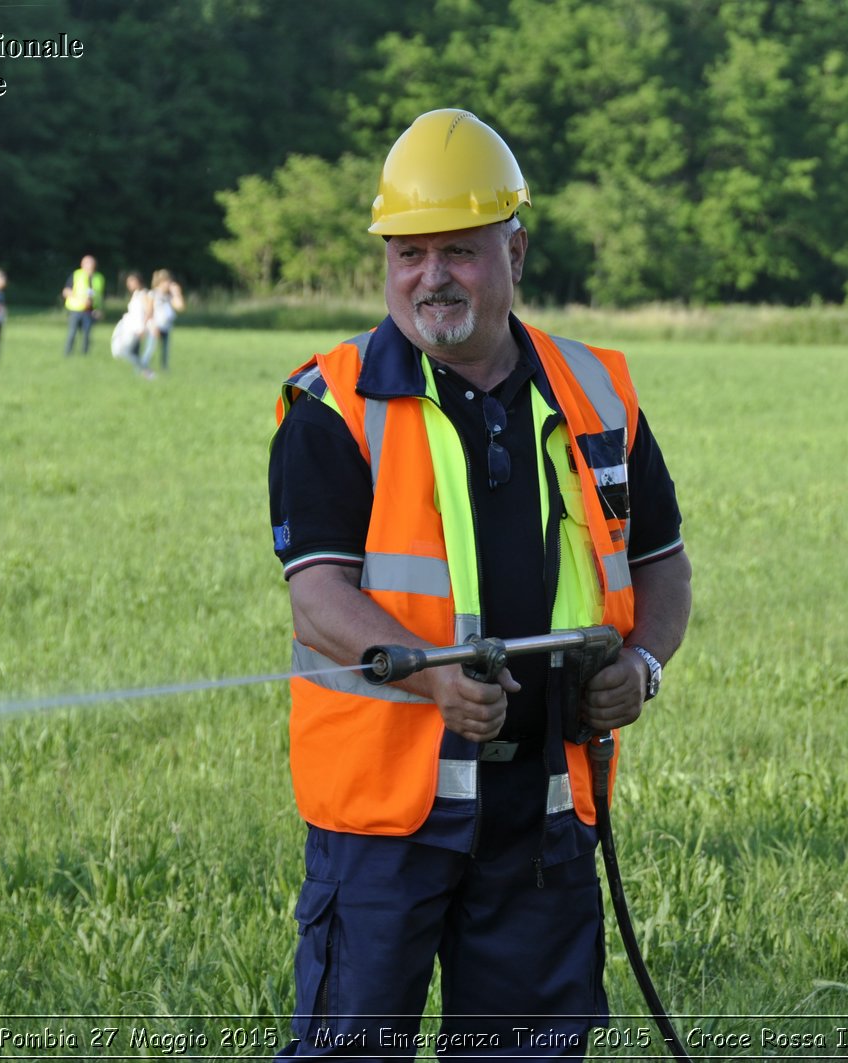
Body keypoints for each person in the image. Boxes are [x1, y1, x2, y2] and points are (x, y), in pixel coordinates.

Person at [267, 109, 692, 1057]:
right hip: (386, 816)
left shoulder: (599, 392)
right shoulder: (331, 405)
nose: (431, 276)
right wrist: (429, 677)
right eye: (407, 252)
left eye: (458, 250)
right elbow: (318, 597)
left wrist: (645, 665)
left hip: (542, 812)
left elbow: (663, 562)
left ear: (516, 250)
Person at [109, 272, 156, 379]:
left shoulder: (143, 294)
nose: (129, 285)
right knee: (131, 352)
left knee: (126, 351)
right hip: (130, 327)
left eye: (131, 282)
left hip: (138, 328)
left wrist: (143, 328)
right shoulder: (135, 294)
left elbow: (149, 311)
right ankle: (142, 373)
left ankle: (147, 372)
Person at [61, 254, 105, 355]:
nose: (89, 265)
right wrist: (81, 299)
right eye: (87, 263)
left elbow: (100, 296)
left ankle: (85, 354)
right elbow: (66, 291)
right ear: (82, 264)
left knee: (87, 334)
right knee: (72, 332)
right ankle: (67, 353)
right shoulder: (76, 275)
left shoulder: (99, 278)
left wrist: (99, 309)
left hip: (90, 311)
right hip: (76, 309)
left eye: (91, 263)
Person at [147, 269, 186, 371]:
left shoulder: (169, 296)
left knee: (165, 352)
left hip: (166, 327)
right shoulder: (153, 294)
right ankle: (143, 368)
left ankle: (164, 370)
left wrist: (177, 293)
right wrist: (152, 326)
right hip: (155, 326)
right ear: (161, 282)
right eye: (167, 282)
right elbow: (149, 312)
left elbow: (180, 307)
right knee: (150, 350)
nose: (169, 284)